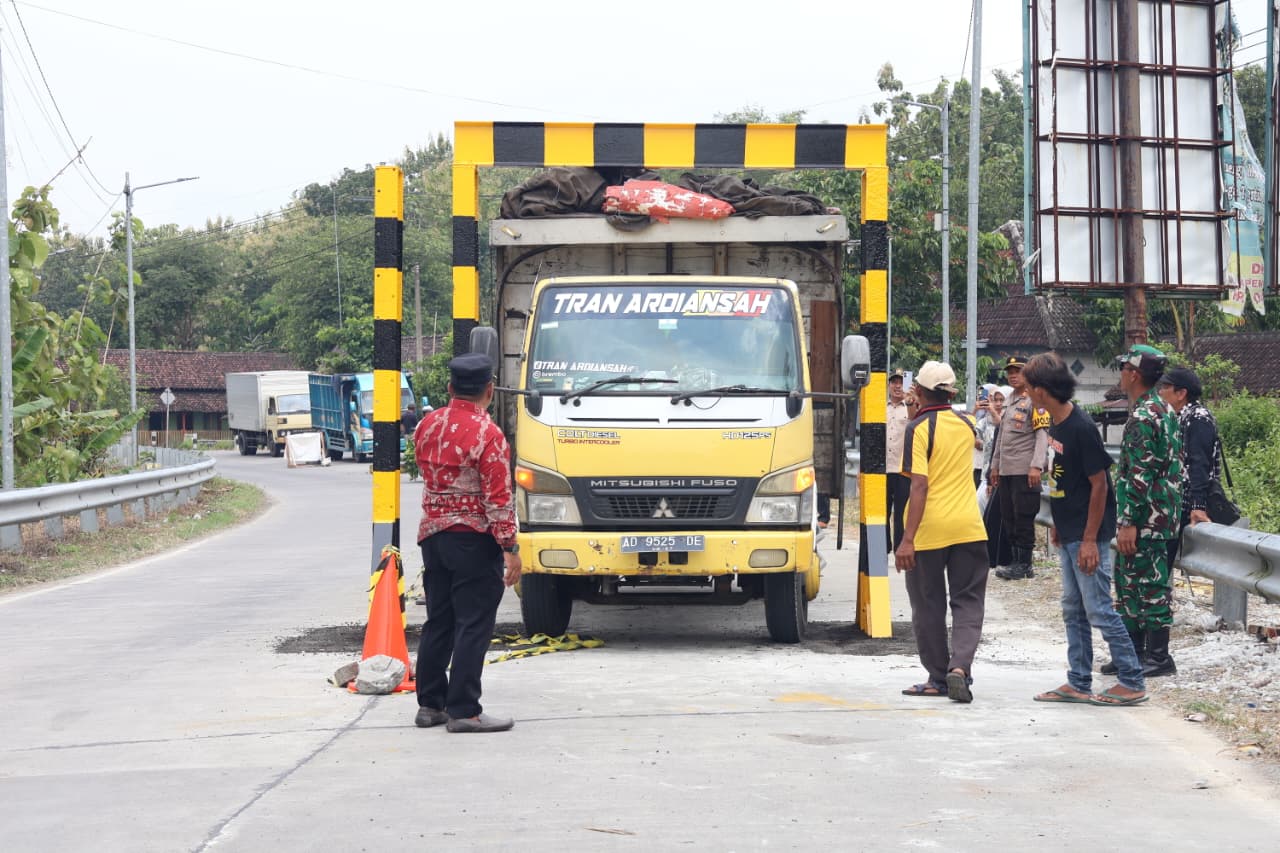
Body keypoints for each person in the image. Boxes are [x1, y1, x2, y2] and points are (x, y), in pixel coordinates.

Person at [1022, 353, 1147, 706]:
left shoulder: (1080, 427)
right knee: (1073, 609)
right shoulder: (1056, 424)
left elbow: (1100, 485)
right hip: (1070, 530)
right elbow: (1065, 480)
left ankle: (1132, 680)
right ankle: (1078, 681)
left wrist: (1090, 539)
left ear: (1042, 390)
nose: (1026, 393)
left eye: (1029, 388)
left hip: (1087, 534)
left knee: (1099, 609)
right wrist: (1059, 525)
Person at [411, 353, 523, 733]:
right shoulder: (489, 435)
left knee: (439, 620)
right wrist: (510, 548)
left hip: (433, 537)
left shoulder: (426, 425)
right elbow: (498, 498)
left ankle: (430, 704)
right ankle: (464, 710)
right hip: (473, 540)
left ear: (450, 388)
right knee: (473, 623)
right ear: (490, 391)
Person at [896, 361, 989, 703]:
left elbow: (919, 485)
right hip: (969, 527)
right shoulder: (966, 424)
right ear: (950, 393)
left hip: (930, 530)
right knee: (968, 601)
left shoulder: (918, 428)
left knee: (928, 605)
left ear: (919, 392)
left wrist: (907, 539)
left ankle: (938, 677)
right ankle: (960, 668)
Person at [1113, 344, 1183, 679]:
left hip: (1147, 517)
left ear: (1134, 374)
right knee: (1129, 581)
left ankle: (1158, 656)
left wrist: (1128, 521)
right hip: (1158, 512)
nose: (1121, 374)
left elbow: (1139, 473)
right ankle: (1132, 654)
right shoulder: (1162, 408)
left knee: (1149, 586)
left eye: (1123, 368)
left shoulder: (1144, 416)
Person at [1147, 366, 1220, 677]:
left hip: (1186, 505)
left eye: (1166, 388)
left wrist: (1198, 505)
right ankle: (1148, 650)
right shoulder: (1177, 416)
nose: (1161, 392)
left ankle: (1158, 655)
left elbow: (1199, 463)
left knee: (1159, 575)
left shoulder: (1197, 418)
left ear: (1181, 393)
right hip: (1172, 503)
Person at [989, 356, 1051, 580]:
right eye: (1010, 371)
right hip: (1007, 470)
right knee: (1009, 517)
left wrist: (1036, 466)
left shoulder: (1035, 399)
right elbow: (1001, 438)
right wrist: (995, 466)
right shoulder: (1009, 400)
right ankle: (1015, 562)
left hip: (1025, 470)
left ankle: (1025, 565)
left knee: (1024, 517)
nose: (1013, 375)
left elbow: (1042, 436)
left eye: (1018, 371)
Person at [885, 369, 911, 551]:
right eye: (894, 382)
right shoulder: (880, 408)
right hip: (884, 468)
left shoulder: (910, 408)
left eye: (901, 382)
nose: (898, 386)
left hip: (903, 469)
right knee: (882, 511)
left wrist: (911, 401)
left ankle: (900, 549)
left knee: (901, 513)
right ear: (888, 385)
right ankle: (883, 546)